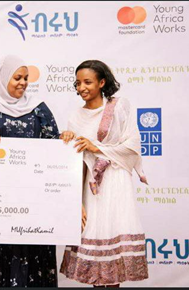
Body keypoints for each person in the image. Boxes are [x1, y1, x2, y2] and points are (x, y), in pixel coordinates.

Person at [0, 55, 73, 287]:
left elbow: (53, 146)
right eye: (17, 77)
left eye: (25, 78)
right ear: (2, 79)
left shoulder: (39, 109)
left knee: (35, 251)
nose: (23, 83)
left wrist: (63, 138)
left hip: (35, 201)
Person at [60, 60, 149, 287]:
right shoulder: (75, 117)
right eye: (78, 83)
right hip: (91, 188)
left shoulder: (119, 107)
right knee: (96, 251)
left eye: (88, 82)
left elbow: (133, 147)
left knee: (113, 249)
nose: (82, 88)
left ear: (101, 82)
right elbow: (76, 162)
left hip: (116, 183)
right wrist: (75, 200)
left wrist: (97, 148)